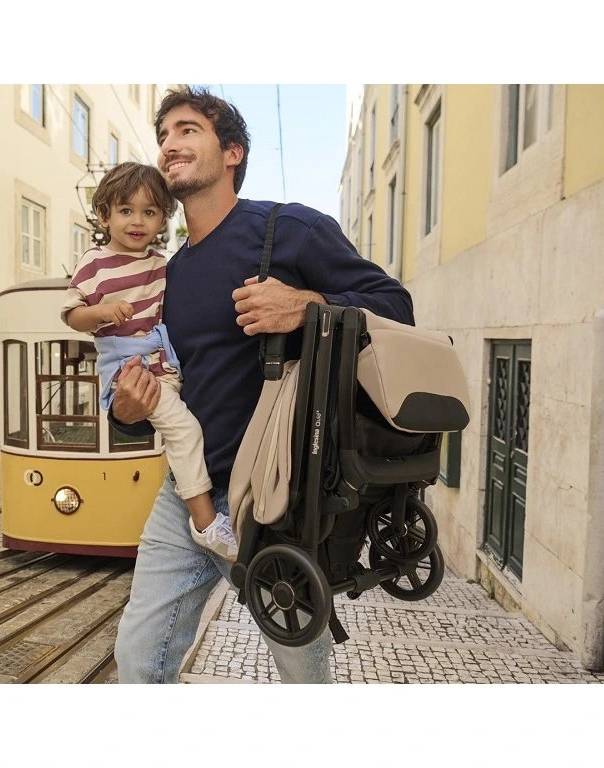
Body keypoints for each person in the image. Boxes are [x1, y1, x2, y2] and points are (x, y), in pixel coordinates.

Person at [111, 86, 415, 684]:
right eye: (164, 135)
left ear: (233, 152)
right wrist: (126, 409)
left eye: (188, 129)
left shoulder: (290, 228)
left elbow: (396, 306)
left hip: (277, 497)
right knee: (139, 659)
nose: (170, 144)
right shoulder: (167, 274)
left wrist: (306, 305)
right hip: (188, 494)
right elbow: (160, 384)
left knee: (302, 675)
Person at [61, 162, 238, 560]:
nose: (137, 221)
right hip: (130, 369)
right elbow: (72, 315)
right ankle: (206, 524)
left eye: (149, 211)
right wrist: (101, 312)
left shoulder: (161, 263)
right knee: (185, 431)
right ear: (104, 215)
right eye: (126, 210)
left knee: (190, 428)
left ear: (163, 217)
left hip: (163, 363)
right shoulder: (94, 262)